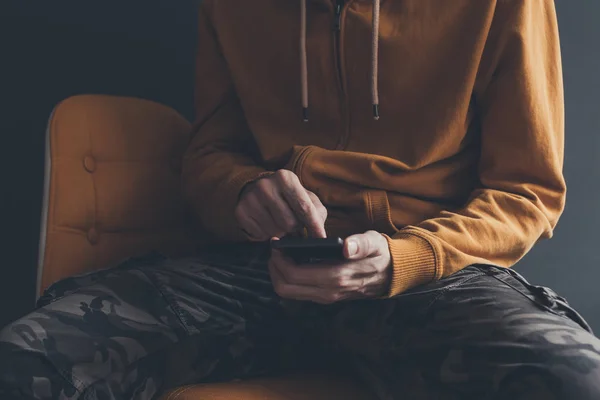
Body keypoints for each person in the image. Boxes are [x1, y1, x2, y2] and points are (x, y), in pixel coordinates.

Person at [2, 0, 600, 399]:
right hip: (263, 270)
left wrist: (407, 257)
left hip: (432, 275)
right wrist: (241, 190)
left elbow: (527, 192)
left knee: (576, 379)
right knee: (25, 359)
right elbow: (209, 154)